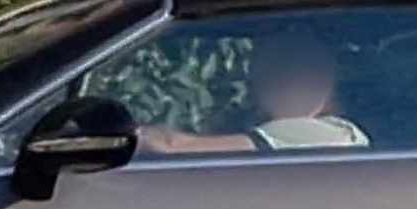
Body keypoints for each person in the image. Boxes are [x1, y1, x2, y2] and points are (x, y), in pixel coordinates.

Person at [140, 30, 369, 155]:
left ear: (332, 76)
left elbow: (173, 147)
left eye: (305, 63)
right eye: (273, 63)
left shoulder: (332, 135)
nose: (288, 75)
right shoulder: (246, 126)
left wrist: (128, 138)